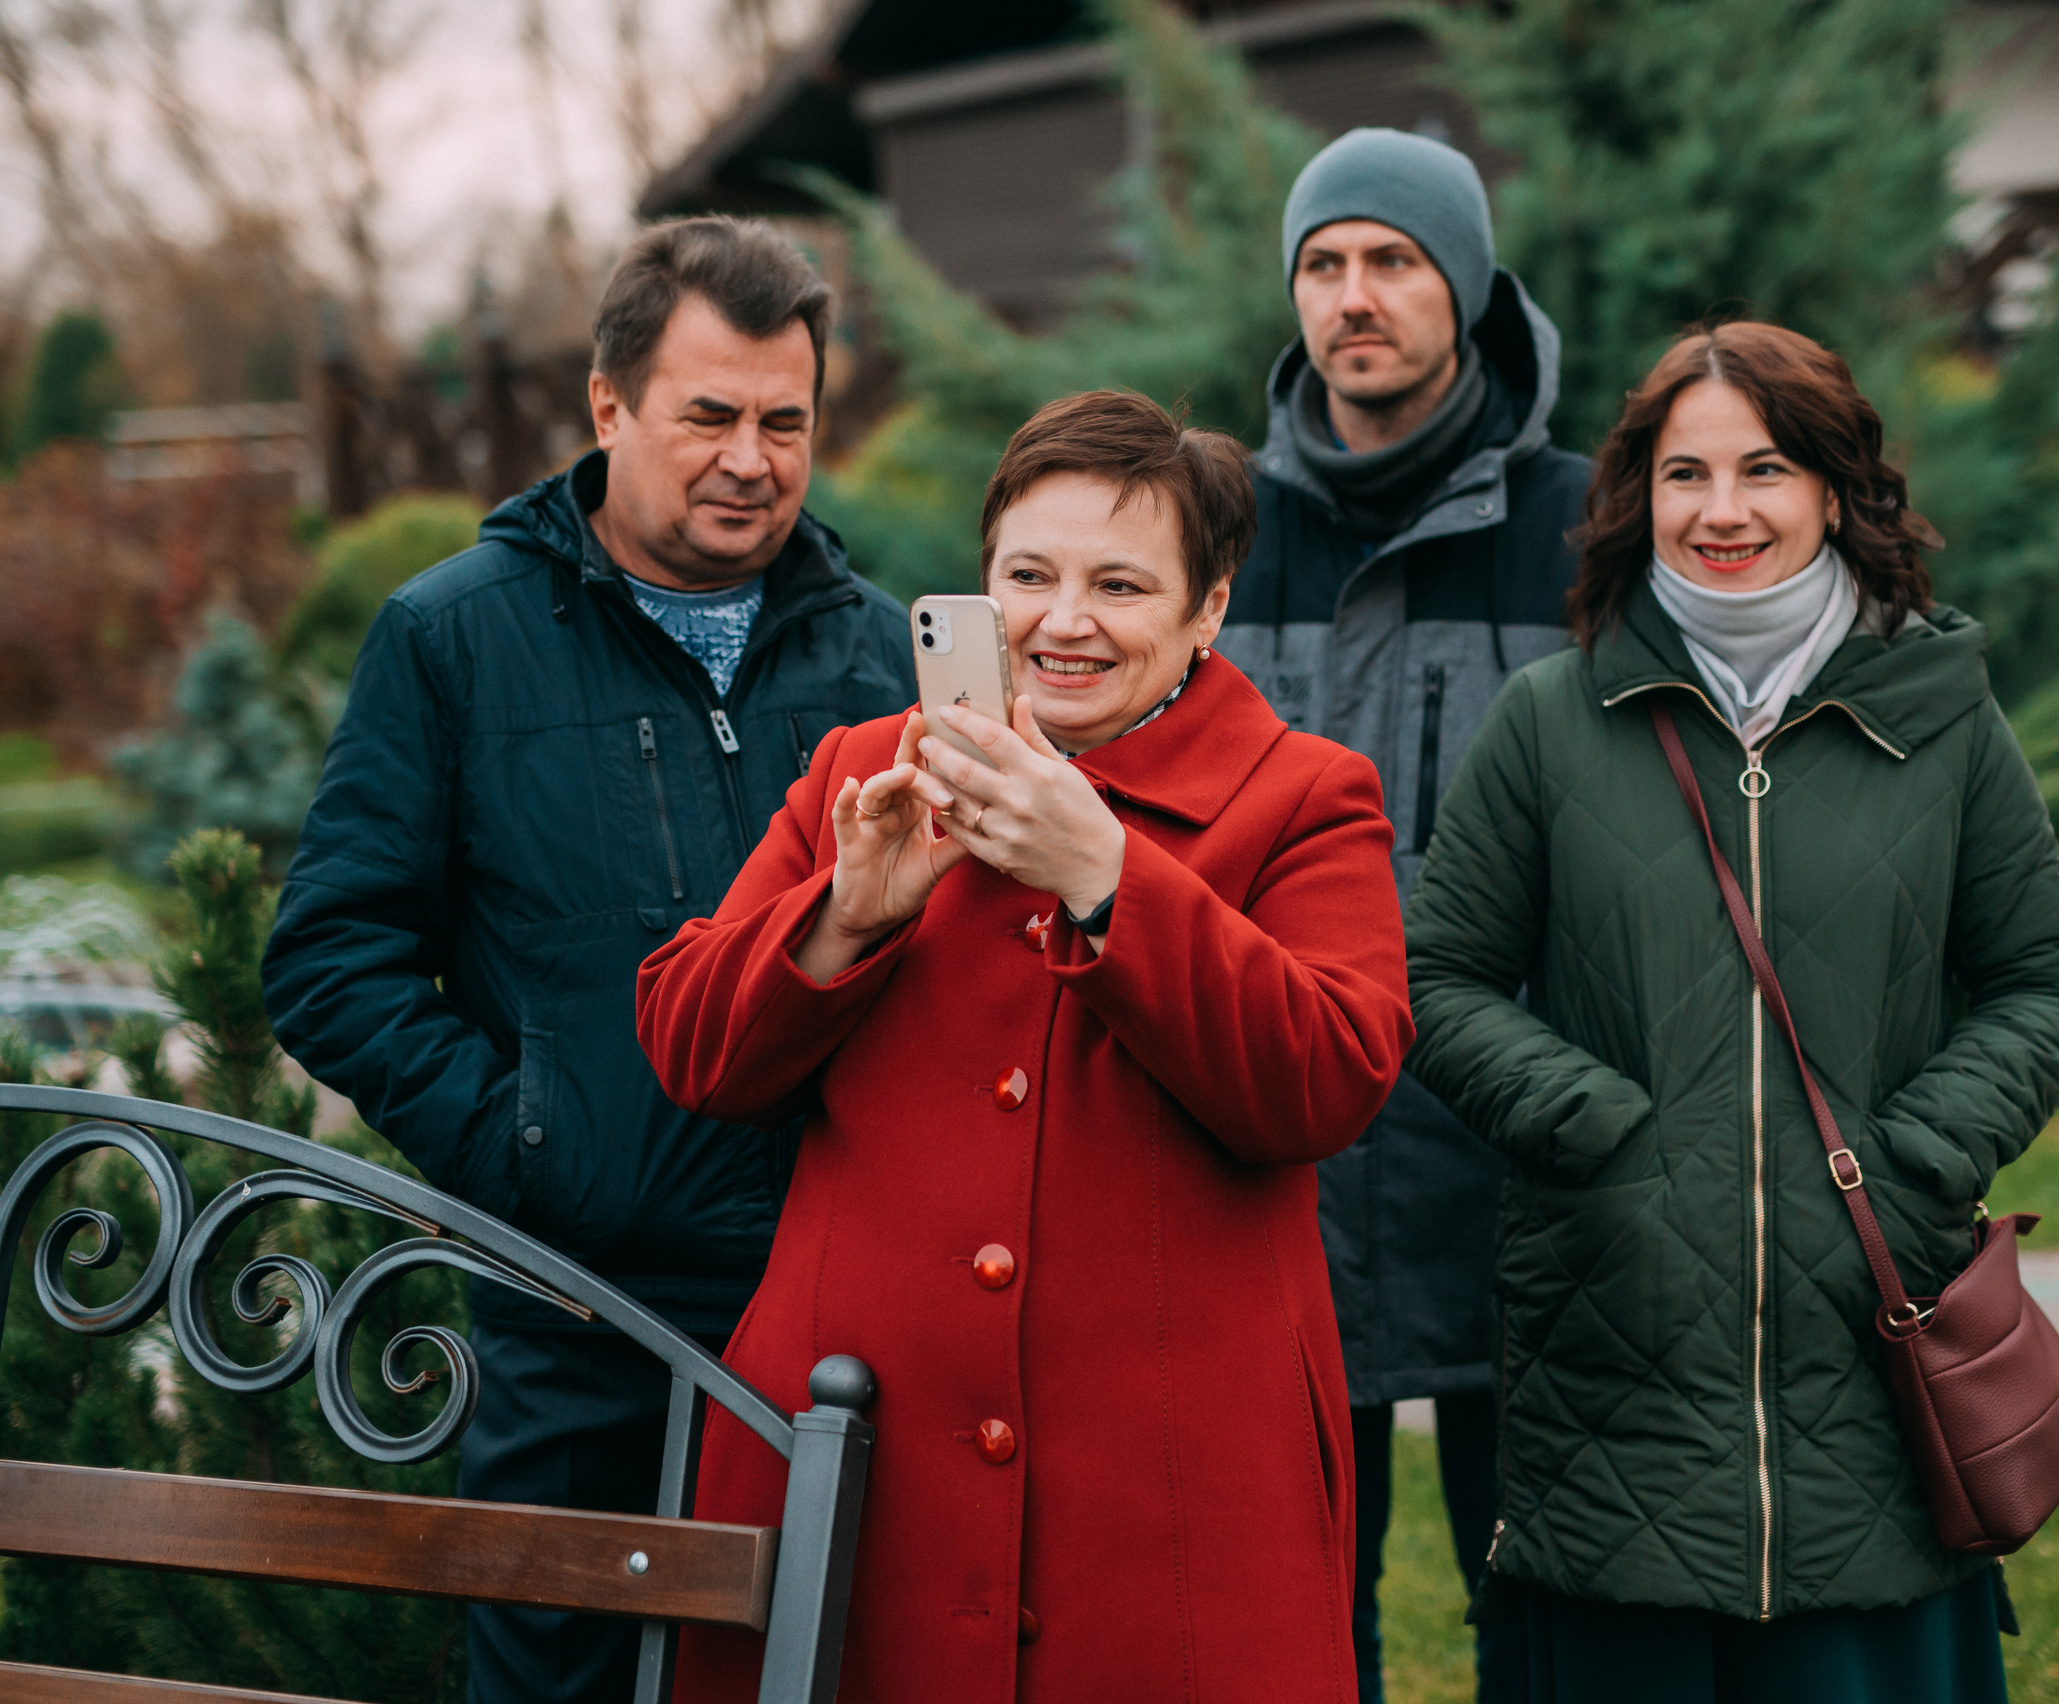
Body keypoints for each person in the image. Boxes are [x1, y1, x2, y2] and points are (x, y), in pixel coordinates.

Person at [635, 389, 1412, 1703]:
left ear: (1208, 609)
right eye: (1029, 576)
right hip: (860, 1464)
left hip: (1165, 1508)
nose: (1064, 621)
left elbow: (1329, 1078)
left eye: (1120, 583)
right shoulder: (863, 772)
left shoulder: (1303, 797)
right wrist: (848, 914)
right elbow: (691, 1050)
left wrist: (1111, 876)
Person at [1401, 321, 2059, 1702]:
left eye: (1765, 469)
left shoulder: (1941, 717)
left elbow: (2049, 974)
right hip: (1614, 1348)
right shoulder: (1552, 721)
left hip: (1876, 1345)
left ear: (1835, 489)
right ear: (1637, 497)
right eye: (1684, 475)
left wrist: (1921, 1155)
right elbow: (1435, 973)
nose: (1722, 511)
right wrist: (1593, 1126)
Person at [263, 217, 915, 1704]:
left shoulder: (880, 657)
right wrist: (529, 1153)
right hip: (576, 1316)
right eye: (710, 416)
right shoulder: (452, 638)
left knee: (825, 1671)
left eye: (784, 422)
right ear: (609, 407)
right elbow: (330, 957)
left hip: (845, 1308)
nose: (751, 458)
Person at [1217, 124, 1587, 1704]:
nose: (1353, 297)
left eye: (1392, 260)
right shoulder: (1214, 522)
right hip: (1282, 1164)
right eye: (1323, 264)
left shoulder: (1586, 525)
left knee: (1552, 1601)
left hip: (1529, 1169)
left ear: (1470, 285)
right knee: (1300, 1608)